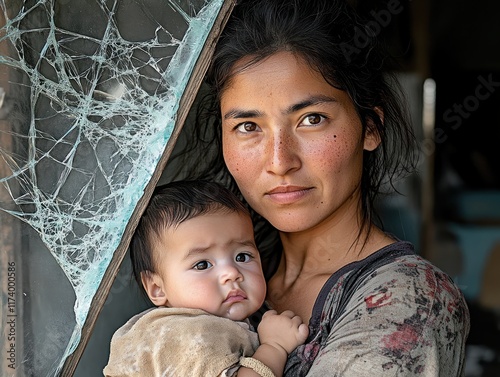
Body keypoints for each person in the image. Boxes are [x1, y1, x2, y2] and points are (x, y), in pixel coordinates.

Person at [171, 0, 471, 375]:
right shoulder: (212, 278)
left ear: (371, 128)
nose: (280, 161)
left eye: (311, 119)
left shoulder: (409, 298)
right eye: (248, 126)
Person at [103, 180, 309, 377]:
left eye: (242, 257)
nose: (232, 273)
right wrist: (275, 346)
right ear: (157, 288)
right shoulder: (184, 337)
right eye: (202, 265)